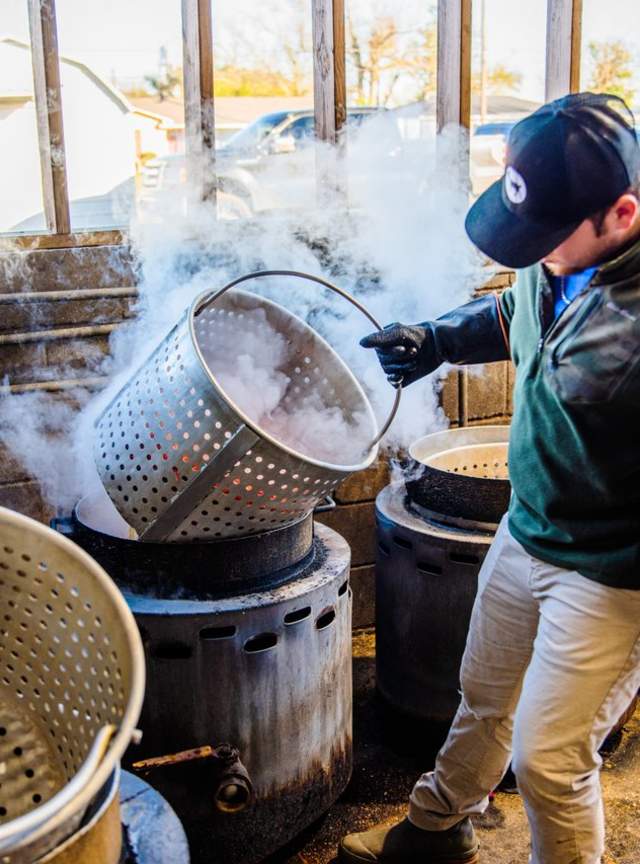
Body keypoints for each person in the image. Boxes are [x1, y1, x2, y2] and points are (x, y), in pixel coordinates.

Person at [339, 92, 640, 864]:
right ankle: (435, 831)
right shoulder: (559, 263)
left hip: (610, 574)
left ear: (623, 214)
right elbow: (515, 314)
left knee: (550, 760)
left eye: (547, 236)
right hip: (529, 527)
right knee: (484, 697)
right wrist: (437, 339)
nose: (533, 251)